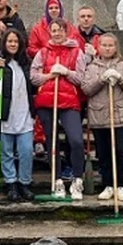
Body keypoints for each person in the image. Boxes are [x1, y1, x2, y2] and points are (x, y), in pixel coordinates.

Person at [31, 18, 87, 200]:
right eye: (53, 31)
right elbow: (34, 77)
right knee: (52, 142)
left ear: (66, 31)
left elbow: (81, 78)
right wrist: (49, 75)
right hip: (47, 101)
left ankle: (77, 179)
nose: (57, 34)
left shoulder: (76, 52)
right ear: (50, 32)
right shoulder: (43, 53)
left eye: (60, 30)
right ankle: (57, 179)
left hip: (69, 101)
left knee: (76, 140)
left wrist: (66, 72)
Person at [81, 33, 123, 202]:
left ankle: (119, 185)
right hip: (99, 116)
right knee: (104, 153)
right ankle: (107, 184)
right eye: (104, 45)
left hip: (120, 116)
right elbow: (86, 89)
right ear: (98, 47)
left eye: (110, 45)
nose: (107, 48)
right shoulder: (92, 67)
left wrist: (120, 78)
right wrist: (101, 79)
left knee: (118, 151)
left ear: (115, 47)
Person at [0, 28, 35, 203]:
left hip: (24, 114)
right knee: (6, 152)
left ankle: (24, 182)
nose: (13, 44)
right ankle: (11, 183)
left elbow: (32, 85)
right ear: (4, 43)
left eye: (16, 41)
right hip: (4, 114)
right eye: (10, 41)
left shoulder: (26, 62)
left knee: (26, 150)